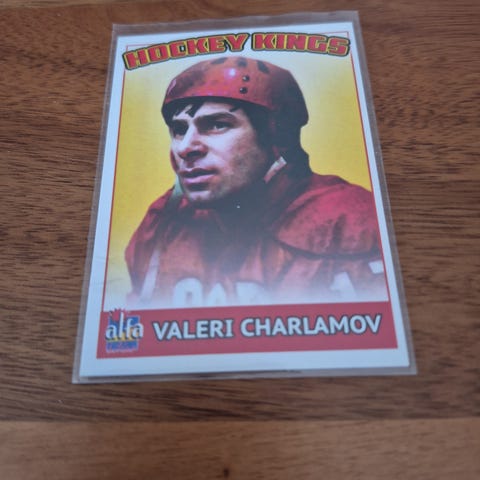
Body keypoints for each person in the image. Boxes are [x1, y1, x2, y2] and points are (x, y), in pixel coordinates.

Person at [125, 56, 387, 308]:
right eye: (179, 130)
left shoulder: (349, 222)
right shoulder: (163, 223)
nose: (185, 148)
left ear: (278, 136)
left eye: (217, 125)